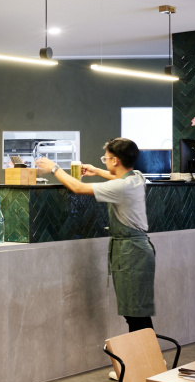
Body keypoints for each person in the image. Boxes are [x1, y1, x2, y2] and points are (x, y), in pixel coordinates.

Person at [36, 138, 155, 334]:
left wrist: (54, 168)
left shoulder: (121, 187)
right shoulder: (137, 177)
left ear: (115, 160)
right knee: (136, 312)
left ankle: (147, 353)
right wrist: (97, 171)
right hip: (137, 250)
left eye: (105, 158)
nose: (104, 161)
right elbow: (118, 177)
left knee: (135, 315)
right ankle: (146, 353)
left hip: (131, 253)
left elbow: (78, 188)